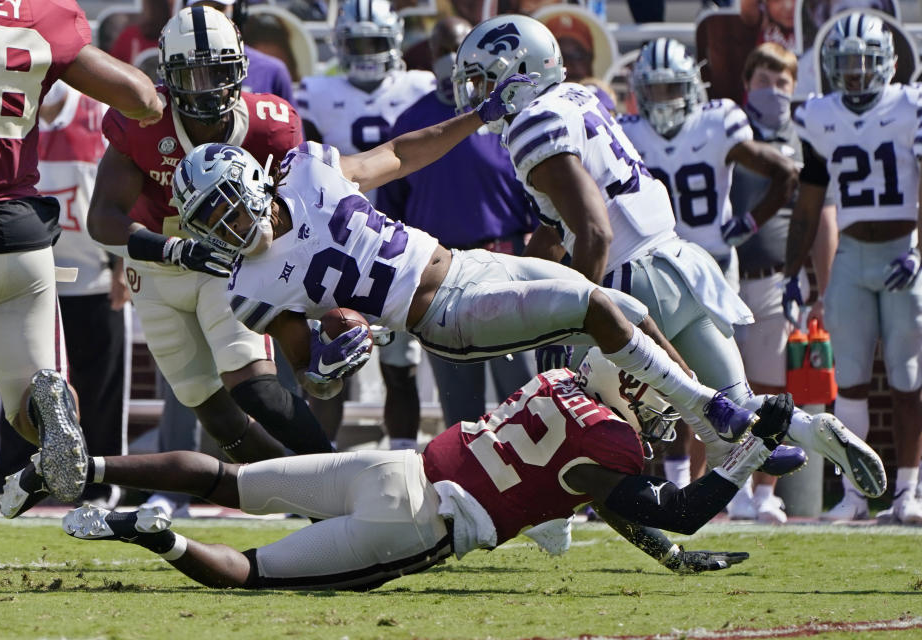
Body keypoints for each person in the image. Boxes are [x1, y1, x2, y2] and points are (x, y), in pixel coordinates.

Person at [166, 76, 885, 511]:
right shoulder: (249, 285)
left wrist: (478, 117)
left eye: (230, 203)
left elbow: (402, 153)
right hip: (440, 314)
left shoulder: (311, 170)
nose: (231, 224)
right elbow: (308, 375)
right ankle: (713, 416)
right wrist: (332, 360)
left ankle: (718, 420)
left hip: (471, 263)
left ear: (256, 182)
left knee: (625, 311)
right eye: (213, 221)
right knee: (597, 306)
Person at [453, 18, 799, 494]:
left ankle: (555, 508)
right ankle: (765, 436)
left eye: (485, 79)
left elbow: (593, 232)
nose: (478, 93)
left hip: (624, 277)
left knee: (573, 410)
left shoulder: (533, 124)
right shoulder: (577, 98)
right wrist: (514, 285)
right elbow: (557, 228)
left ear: (521, 71)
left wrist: (572, 313)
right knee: (714, 400)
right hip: (677, 260)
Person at [54, 373, 803, 590]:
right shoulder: (609, 450)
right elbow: (679, 510)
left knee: (228, 477)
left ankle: (89, 471)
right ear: (628, 393)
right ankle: (158, 536)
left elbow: (614, 505)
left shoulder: (561, 382)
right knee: (249, 575)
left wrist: (669, 561)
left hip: (390, 463)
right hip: (417, 522)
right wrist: (752, 450)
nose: (661, 418)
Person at [84, 8, 330, 472]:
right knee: (213, 413)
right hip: (156, 269)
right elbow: (102, 218)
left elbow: (304, 208)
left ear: (239, 69)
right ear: (167, 76)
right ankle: (298, 493)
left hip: (226, 263)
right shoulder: (140, 120)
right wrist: (172, 249)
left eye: (216, 72)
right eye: (190, 74)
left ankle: (332, 473)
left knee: (253, 385)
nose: (204, 86)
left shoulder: (269, 125)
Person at [0, 0, 162, 513]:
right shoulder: (43, 12)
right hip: (16, 238)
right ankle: (45, 406)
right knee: (30, 389)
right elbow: (142, 98)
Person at [619, 37, 797, 518]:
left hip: (712, 266)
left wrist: (751, 220)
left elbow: (784, 172)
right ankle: (685, 481)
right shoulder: (625, 130)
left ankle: (733, 480)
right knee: (671, 376)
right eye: (653, 92)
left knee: (717, 377)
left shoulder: (718, 122)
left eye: (673, 89)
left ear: (693, 87)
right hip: (658, 267)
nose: (663, 101)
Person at [783, 13, 922, 524]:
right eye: (847, 64)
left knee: (909, 378)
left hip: (902, 253)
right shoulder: (820, 115)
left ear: (886, 63)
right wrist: (791, 271)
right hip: (851, 258)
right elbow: (809, 199)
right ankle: (856, 494)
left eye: (866, 63)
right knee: (852, 383)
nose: (858, 73)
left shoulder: (911, 105)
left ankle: (909, 490)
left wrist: (919, 250)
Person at [0, 81, 133, 512]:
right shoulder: (0, 111)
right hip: (28, 274)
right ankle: (9, 478)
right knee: (19, 380)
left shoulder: (102, 114)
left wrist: (123, 262)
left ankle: (102, 483)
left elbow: (126, 191)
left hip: (93, 273)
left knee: (101, 387)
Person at [377, 16, 537, 427]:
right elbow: (392, 208)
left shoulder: (512, 115)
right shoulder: (412, 120)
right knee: (459, 409)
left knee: (523, 399)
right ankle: (464, 489)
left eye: (460, 45)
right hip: (440, 274)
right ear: (430, 55)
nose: (450, 56)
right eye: (442, 47)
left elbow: (538, 195)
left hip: (506, 265)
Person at [294, 0, 436, 450]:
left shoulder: (420, 87)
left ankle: (403, 459)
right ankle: (318, 464)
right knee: (330, 361)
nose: (366, 51)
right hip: (336, 244)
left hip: (396, 240)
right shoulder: (314, 92)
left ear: (395, 37)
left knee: (400, 364)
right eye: (357, 42)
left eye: (375, 40)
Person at [729, 43, 838, 523]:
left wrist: (823, 287)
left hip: (778, 278)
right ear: (747, 82)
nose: (773, 90)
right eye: (764, 80)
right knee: (726, 385)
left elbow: (821, 217)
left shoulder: (805, 136)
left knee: (772, 389)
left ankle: (763, 490)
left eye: (783, 82)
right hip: (726, 274)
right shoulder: (730, 129)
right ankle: (729, 485)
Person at [185, 0, 294, 102]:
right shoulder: (173, 73)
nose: (209, 18)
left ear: (238, 13)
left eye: (218, 9)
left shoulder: (273, 71)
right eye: (201, 11)